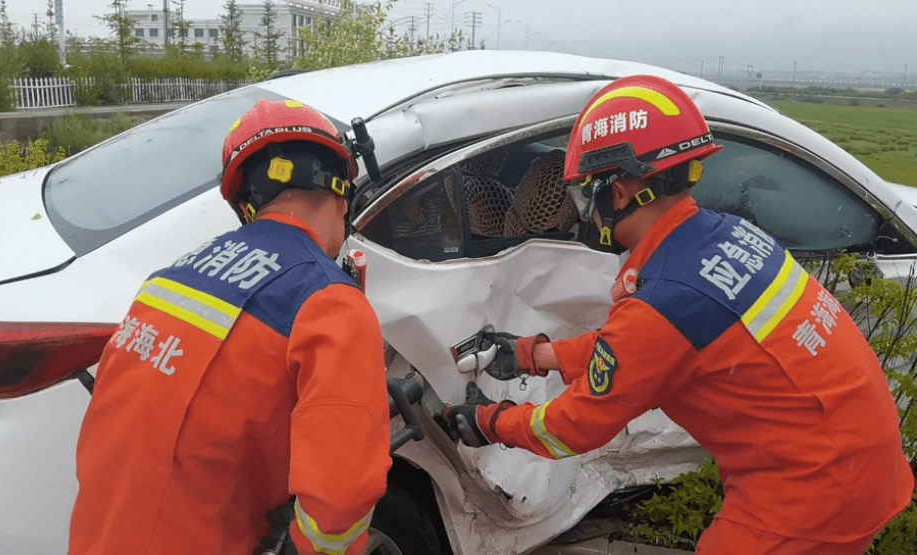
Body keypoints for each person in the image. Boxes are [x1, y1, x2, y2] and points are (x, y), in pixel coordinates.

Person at [445, 75, 914, 554]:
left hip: (814, 493)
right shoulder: (726, 236)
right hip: (857, 460)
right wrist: (535, 356)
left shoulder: (665, 300)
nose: (586, 214)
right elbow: (642, 350)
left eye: (586, 196)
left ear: (620, 193)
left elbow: (573, 426)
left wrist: (490, 422)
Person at [69, 99, 392, 555]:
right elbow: (340, 504)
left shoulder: (167, 281)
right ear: (341, 193)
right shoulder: (329, 302)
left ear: (246, 203)